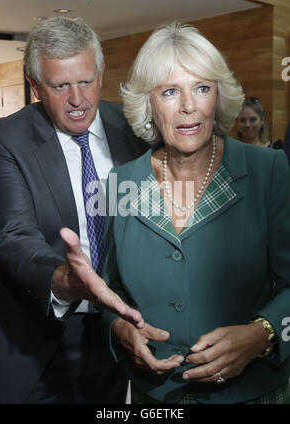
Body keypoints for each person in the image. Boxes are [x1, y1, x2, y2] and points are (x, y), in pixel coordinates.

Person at [97, 23, 290, 404]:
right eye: (170, 91)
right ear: (149, 104)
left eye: (202, 88)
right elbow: (110, 291)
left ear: (217, 96)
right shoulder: (121, 182)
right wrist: (119, 330)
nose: (189, 106)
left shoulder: (269, 170)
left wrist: (264, 333)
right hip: (157, 399)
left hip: (253, 394)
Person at [0, 16, 147, 404]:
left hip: (117, 326)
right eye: (60, 86)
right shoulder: (5, 140)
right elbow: (13, 235)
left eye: (86, 81)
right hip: (41, 333)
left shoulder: (132, 128)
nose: (78, 100)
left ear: (101, 72)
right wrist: (65, 280)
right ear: (36, 87)